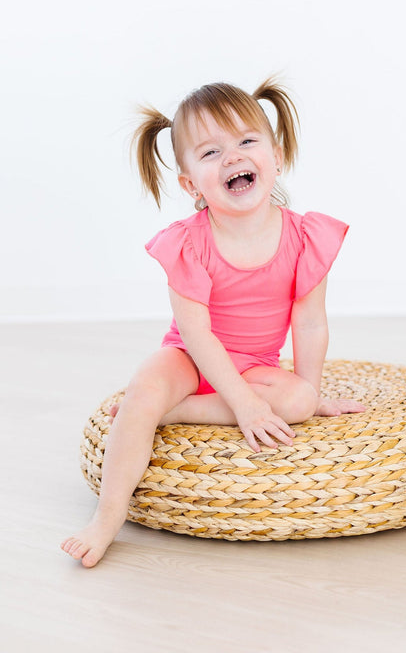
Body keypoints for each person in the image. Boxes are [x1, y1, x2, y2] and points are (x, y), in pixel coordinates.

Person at [61, 76, 366, 567]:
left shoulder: (304, 237)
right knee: (145, 385)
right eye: (210, 152)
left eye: (247, 141)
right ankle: (106, 517)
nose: (232, 157)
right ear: (190, 184)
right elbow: (197, 335)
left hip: (252, 365)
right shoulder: (189, 243)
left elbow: (309, 324)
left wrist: (311, 392)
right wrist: (244, 405)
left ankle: (173, 411)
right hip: (189, 356)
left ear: (278, 155)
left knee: (298, 400)